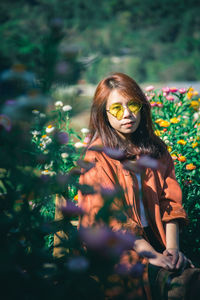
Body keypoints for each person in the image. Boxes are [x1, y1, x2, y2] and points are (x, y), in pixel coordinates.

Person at [76, 73, 196, 300]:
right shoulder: (97, 157)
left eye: (132, 105)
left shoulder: (156, 150)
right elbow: (110, 219)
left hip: (155, 237)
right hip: (116, 247)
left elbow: (170, 202)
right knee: (174, 286)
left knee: (187, 278)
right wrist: (151, 255)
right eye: (117, 109)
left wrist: (172, 249)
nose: (128, 114)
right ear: (104, 114)